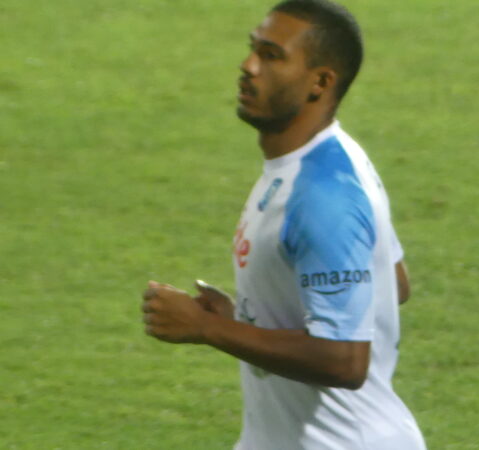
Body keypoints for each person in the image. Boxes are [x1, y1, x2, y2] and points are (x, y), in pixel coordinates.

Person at [141, 1, 426, 448]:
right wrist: (248, 318)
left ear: (321, 82)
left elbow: (345, 361)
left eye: (272, 56)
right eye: (253, 48)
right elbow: (392, 284)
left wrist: (207, 329)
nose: (248, 66)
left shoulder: (324, 195)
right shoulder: (325, 160)